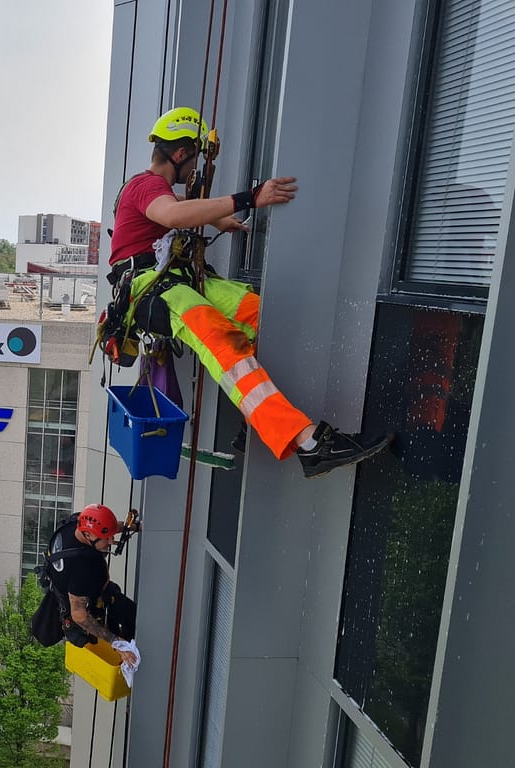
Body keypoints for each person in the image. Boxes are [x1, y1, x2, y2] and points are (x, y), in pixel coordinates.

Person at [108, 106, 391, 479]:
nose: (194, 170)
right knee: (224, 343)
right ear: (180, 154)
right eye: (193, 160)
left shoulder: (157, 191)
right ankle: (309, 443)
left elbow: (178, 211)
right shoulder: (146, 185)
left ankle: (255, 411)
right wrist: (248, 198)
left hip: (179, 280)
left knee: (260, 315)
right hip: (150, 289)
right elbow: (173, 216)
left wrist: (216, 217)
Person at [44, 504, 138, 667]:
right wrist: (116, 642)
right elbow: (79, 615)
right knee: (134, 623)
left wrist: (135, 527)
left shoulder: (78, 523)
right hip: (91, 607)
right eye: (106, 539)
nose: (112, 541)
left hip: (99, 590)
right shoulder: (79, 569)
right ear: (87, 535)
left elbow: (106, 528)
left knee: (132, 616)